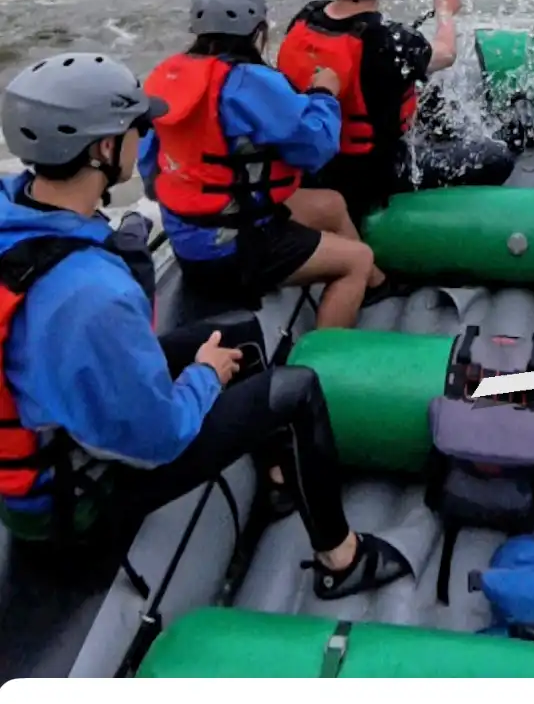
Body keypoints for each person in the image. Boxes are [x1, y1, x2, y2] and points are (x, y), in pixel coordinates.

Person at [0, 52, 409, 597]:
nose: (147, 134)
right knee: (295, 390)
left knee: (239, 331)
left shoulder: (18, 214)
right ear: (102, 149)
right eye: (136, 127)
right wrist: (204, 378)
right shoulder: (91, 293)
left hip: (55, 430)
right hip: (75, 500)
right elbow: (156, 439)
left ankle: (281, 477)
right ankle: (342, 558)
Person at [141, 0, 374, 326]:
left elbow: (149, 170)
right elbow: (317, 148)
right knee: (357, 259)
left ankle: (379, 288)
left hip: (189, 238)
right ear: (257, 29)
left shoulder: (168, 77)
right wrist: (323, 94)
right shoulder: (251, 82)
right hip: (235, 249)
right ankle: (321, 366)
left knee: (331, 204)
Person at [276, 0, 464, 225]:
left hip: (313, 165)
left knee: (431, 97)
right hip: (370, 176)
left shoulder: (306, 17)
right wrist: (445, 11)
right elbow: (446, 53)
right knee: (496, 157)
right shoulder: (389, 40)